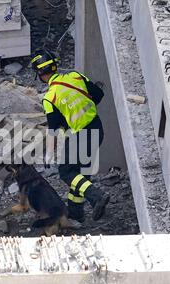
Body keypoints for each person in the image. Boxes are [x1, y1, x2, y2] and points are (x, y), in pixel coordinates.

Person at [30, 48, 110, 223]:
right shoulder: (75, 76)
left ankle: (97, 196)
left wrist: (49, 154)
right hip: (97, 128)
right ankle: (76, 213)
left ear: (41, 74)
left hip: (80, 135)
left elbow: (53, 128)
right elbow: (98, 94)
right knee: (81, 173)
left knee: (66, 172)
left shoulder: (50, 97)